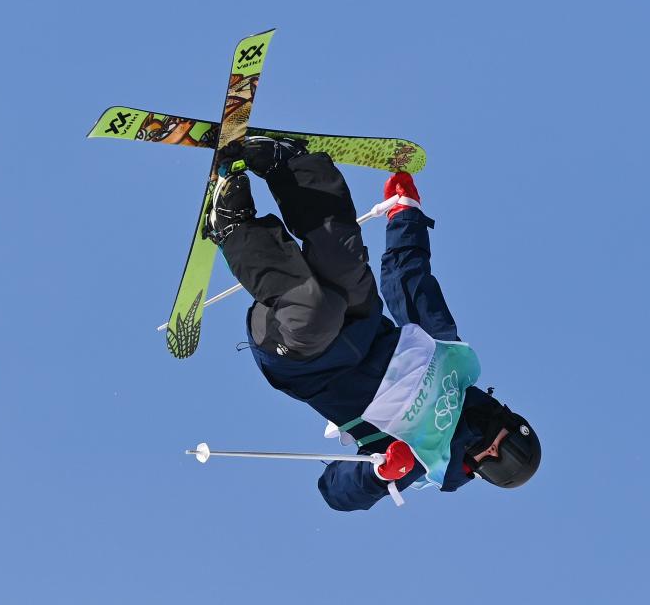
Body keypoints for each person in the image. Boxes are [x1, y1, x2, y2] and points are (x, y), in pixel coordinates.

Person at [207, 137, 541, 511]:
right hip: (360, 319)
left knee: (316, 311)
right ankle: (289, 166)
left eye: (491, 458)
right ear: (507, 418)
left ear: (478, 470)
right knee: (344, 261)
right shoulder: (455, 364)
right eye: (503, 440)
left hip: (304, 359)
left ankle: (233, 225)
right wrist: (406, 214)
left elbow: (337, 490)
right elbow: (411, 285)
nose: (490, 446)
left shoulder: (419, 457)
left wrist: (381, 473)